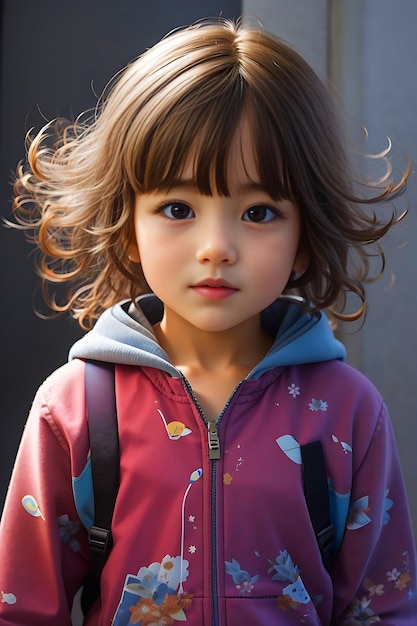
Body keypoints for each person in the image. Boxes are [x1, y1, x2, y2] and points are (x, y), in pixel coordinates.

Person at [0, 17, 415, 626]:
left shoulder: (348, 411)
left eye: (258, 211)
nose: (216, 246)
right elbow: (25, 608)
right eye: (177, 208)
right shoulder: (78, 408)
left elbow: (383, 608)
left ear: (305, 236)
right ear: (129, 226)